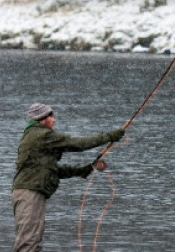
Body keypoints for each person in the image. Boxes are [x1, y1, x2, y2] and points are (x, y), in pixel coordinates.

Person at [12, 102, 125, 252]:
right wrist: (109, 137)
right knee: (29, 242)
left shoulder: (34, 136)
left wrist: (79, 171)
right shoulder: (41, 135)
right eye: (50, 116)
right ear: (42, 119)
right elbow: (76, 144)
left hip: (28, 191)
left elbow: (49, 169)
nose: (53, 119)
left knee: (33, 240)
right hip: (30, 193)